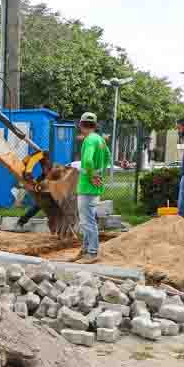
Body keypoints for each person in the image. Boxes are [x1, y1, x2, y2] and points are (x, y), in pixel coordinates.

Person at [74, 112, 111, 264]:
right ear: (95, 126)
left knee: (87, 222)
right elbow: (108, 157)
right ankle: (85, 250)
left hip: (87, 186)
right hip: (94, 187)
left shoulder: (89, 140)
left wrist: (91, 176)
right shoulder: (100, 140)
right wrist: (98, 173)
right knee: (88, 220)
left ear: (81, 125)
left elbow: (88, 161)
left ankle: (92, 252)